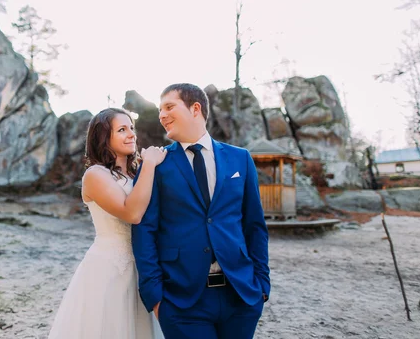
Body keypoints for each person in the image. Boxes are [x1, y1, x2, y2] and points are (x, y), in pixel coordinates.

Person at [132, 83, 270, 339]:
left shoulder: (240, 158)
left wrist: (262, 286)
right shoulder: (155, 165)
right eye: (160, 109)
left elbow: (255, 225)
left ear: (195, 109)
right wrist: (156, 298)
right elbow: (144, 231)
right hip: (181, 300)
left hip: (241, 295)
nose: (162, 115)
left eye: (169, 107)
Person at [49, 107, 166, 339]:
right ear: (103, 137)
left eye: (131, 128)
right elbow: (132, 213)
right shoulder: (95, 175)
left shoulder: (138, 173)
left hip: (144, 266)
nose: (131, 134)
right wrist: (151, 165)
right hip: (110, 269)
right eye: (122, 130)